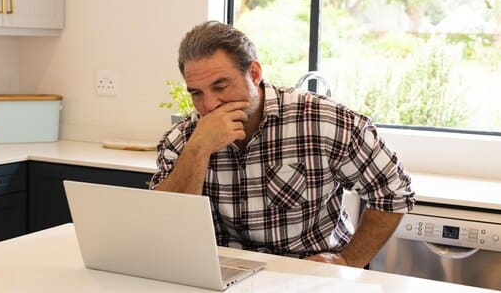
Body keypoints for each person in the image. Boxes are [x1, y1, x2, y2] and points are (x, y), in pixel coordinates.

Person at [149, 21, 415, 267]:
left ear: (254, 73)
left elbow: (393, 191)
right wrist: (197, 150)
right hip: (222, 279)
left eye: (221, 87)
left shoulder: (322, 121)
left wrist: (346, 262)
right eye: (197, 93)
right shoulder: (184, 138)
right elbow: (165, 224)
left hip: (309, 278)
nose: (209, 105)